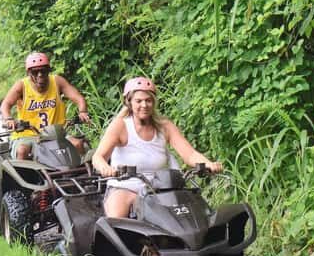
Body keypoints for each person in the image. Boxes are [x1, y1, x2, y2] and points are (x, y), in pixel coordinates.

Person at [92, 76, 222, 219]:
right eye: (138, 101)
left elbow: (189, 154)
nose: (144, 105)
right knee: (117, 223)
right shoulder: (121, 126)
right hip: (126, 186)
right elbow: (98, 157)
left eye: (148, 100)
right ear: (129, 102)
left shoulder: (165, 126)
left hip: (161, 189)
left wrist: (209, 164)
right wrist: (105, 168)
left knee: (194, 215)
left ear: (154, 102)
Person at [0, 52, 90, 159]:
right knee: (22, 151)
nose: (40, 75)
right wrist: (8, 119)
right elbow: (5, 104)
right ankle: (25, 175)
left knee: (78, 144)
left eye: (43, 71)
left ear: (48, 71)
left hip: (57, 133)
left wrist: (82, 111)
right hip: (28, 135)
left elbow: (78, 98)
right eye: (35, 72)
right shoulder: (22, 86)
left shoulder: (57, 81)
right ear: (29, 73)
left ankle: (85, 173)